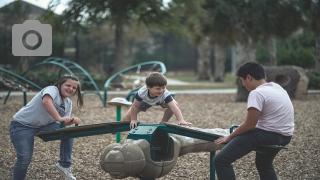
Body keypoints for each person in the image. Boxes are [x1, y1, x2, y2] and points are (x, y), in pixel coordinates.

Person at [213, 61, 294, 180]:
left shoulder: (257, 93)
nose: (243, 84)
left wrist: (229, 137)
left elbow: (249, 125)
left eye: (242, 80)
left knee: (220, 161)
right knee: (264, 165)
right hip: (286, 136)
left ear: (249, 77)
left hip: (267, 135)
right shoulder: (277, 87)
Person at [9, 74, 84, 180]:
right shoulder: (52, 90)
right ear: (59, 85)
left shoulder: (68, 103)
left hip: (43, 125)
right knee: (24, 158)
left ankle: (64, 165)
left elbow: (64, 121)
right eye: (68, 85)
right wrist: (59, 118)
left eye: (74, 88)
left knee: (69, 132)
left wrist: (71, 121)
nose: (71, 89)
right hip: (22, 125)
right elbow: (46, 102)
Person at [122, 72, 192, 129]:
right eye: (158, 88)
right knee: (128, 116)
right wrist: (134, 119)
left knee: (174, 104)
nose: (161, 91)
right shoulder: (142, 92)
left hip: (161, 101)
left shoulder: (165, 94)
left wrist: (181, 120)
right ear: (148, 87)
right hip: (146, 101)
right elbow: (135, 106)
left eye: (163, 87)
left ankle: (163, 122)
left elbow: (174, 107)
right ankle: (116, 129)